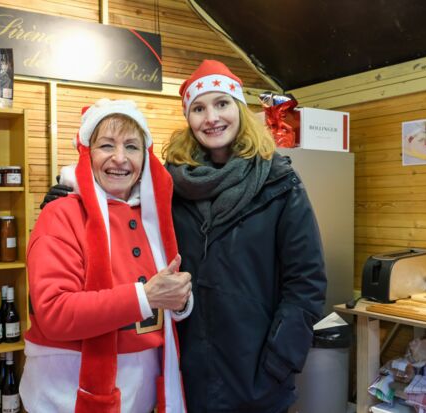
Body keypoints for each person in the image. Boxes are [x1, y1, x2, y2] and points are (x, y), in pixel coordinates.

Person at [42, 60, 327, 413]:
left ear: (238, 108)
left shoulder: (279, 184)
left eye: (221, 103)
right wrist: (69, 194)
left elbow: (307, 283)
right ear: (188, 119)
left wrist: (279, 361)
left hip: (258, 372)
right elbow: (121, 207)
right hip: (186, 370)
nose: (211, 118)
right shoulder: (168, 186)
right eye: (199, 108)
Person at [21, 99, 192, 413]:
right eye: (106, 145)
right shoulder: (61, 215)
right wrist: (146, 296)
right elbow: (55, 313)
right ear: (87, 153)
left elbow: (162, 296)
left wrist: (178, 300)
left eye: (131, 146)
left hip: (140, 392)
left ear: (145, 156)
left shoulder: (154, 216)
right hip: (67, 391)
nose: (120, 158)